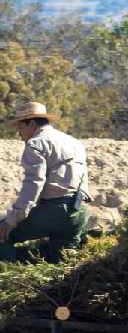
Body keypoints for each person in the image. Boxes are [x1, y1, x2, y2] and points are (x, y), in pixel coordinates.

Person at [1, 102, 91, 263]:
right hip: (80, 212)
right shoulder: (74, 142)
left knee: (2, 234)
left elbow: (34, 184)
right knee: (61, 263)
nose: (19, 134)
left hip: (55, 211)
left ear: (32, 123)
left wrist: (11, 220)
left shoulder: (36, 143)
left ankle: (9, 278)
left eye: (20, 128)